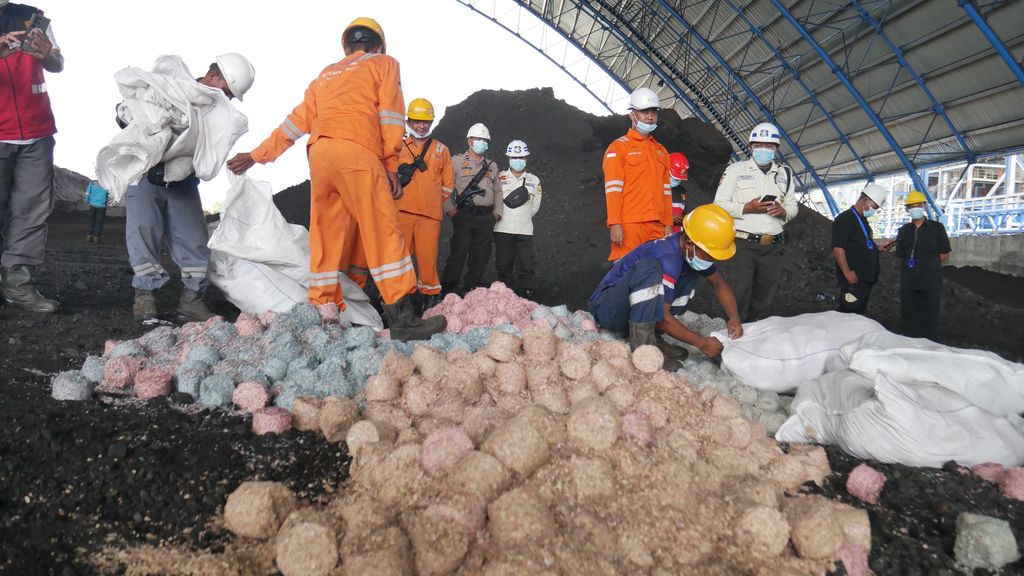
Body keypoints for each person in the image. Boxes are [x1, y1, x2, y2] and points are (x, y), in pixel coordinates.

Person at [227, 17, 445, 341]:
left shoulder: (326, 76)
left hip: (321, 156)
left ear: (346, 46)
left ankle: (323, 313)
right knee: (382, 229)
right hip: (357, 151)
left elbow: (295, 122)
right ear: (379, 45)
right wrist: (390, 163)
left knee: (325, 239)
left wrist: (257, 155)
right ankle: (402, 319)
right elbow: (390, 114)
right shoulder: (384, 64)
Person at [123, 53, 255, 323]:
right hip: (146, 175)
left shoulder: (218, 112)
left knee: (194, 239)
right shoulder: (171, 87)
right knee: (142, 232)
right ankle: (144, 297)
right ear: (213, 76)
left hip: (183, 182)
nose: (227, 100)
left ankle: (192, 301)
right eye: (227, 92)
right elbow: (132, 114)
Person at [588, 204, 743, 370]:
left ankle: (652, 335)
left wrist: (734, 318)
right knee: (650, 267)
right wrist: (702, 343)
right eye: (710, 255)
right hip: (607, 310)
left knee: (690, 273)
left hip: (628, 313)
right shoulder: (666, 255)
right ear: (690, 244)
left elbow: (719, 283)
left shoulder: (688, 252)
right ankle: (644, 350)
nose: (712, 260)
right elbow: (661, 315)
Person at [0, 2, 64, 313]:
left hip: (36, 133)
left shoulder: (32, 15)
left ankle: (18, 285)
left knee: (31, 213)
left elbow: (57, 62)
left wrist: (48, 54)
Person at [713, 122, 799, 322]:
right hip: (743, 245)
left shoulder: (784, 174)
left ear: (776, 148)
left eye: (769, 146)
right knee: (737, 293)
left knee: (765, 298)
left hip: (773, 246)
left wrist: (783, 212)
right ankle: (727, 336)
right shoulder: (735, 170)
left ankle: (755, 338)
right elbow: (719, 204)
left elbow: (794, 207)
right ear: (751, 146)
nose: (764, 150)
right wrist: (746, 208)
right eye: (759, 145)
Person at [393, 97, 453, 312]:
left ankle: (429, 305)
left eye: (425, 122)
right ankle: (399, 302)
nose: (421, 125)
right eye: (417, 121)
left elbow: (448, 186)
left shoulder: (441, 151)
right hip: (402, 214)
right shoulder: (397, 146)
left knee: (428, 262)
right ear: (409, 122)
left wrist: (432, 201)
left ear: (431, 123)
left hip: (429, 217)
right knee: (401, 260)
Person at [603, 87, 673, 261]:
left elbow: (666, 191)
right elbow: (613, 189)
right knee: (626, 276)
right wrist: (615, 223)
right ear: (632, 115)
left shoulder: (661, 151)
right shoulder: (618, 148)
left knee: (654, 278)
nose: (650, 117)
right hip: (630, 225)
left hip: (657, 226)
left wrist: (668, 224)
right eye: (644, 112)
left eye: (654, 112)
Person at [440, 123, 503, 295]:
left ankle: (471, 290)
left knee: (481, 256)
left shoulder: (492, 166)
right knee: (458, 253)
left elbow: (498, 190)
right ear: (469, 141)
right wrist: (450, 210)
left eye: (485, 140)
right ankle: (447, 290)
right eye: (478, 139)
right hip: (464, 215)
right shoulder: (456, 162)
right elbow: (443, 187)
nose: (481, 142)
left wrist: (497, 213)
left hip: (486, 218)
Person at [893, 191, 951, 339]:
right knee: (908, 318)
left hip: (930, 282)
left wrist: (929, 266)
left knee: (929, 318)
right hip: (909, 283)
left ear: (924, 206)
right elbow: (900, 255)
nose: (915, 208)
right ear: (907, 209)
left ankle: (929, 344)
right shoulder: (903, 231)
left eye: (918, 205)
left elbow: (944, 253)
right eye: (911, 206)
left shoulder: (937, 228)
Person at [832, 184, 892, 315]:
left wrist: (879, 249)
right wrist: (847, 272)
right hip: (852, 280)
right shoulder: (845, 219)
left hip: (863, 280)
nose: (874, 211)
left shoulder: (863, 221)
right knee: (849, 314)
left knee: (857, 315)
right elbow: (838, 248)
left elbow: (862, 246)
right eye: (874, 207)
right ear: (865, 200)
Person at [494, 139, 542, 299]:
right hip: (502, 229)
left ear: (526, 158)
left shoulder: (534, 180)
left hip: (524, 230)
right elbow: (494, 201)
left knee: (526, 265)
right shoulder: (499, 177)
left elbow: (535, 206)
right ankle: (505, 296)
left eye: (521, 157)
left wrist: (522, 218)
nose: (518, 160)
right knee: (503, 264)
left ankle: (527, 296)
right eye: (514, 158)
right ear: (508, 158)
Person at [668, 152, 688, 234]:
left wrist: (685, 219)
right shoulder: (654, 187)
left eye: (679, 179)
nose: (677, 181)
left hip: (675, 238)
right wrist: (669, 218)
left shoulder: (682, 192)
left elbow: (683, 213)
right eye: (674, 178)